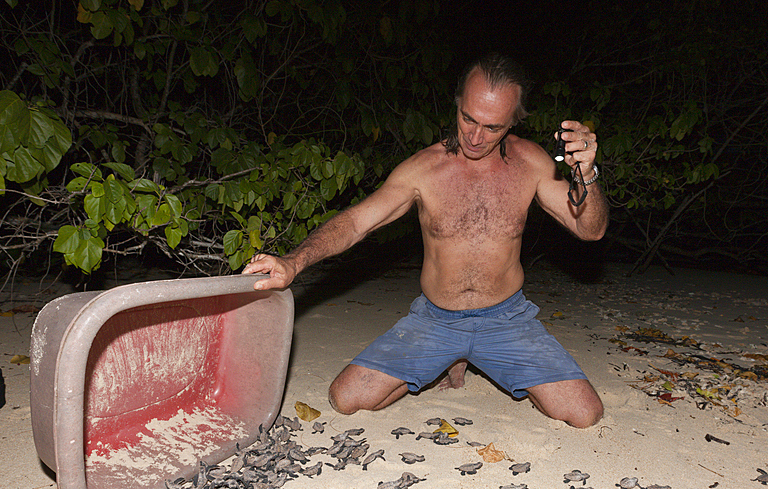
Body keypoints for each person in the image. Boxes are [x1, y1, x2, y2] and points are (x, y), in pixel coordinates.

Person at [244, 53, 608, 428]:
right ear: (457, 104)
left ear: (514, 121)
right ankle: (444, 359)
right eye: (468, 118)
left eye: (492, 126)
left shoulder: (530, 163)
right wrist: (294, 261)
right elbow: (357, 223)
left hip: (506, 319)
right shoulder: (423, 169)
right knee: (347, 398)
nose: (475, 136)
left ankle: (483, 359)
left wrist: (587, 174)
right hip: (436, 321)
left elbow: (590, 229)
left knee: (584, 414)